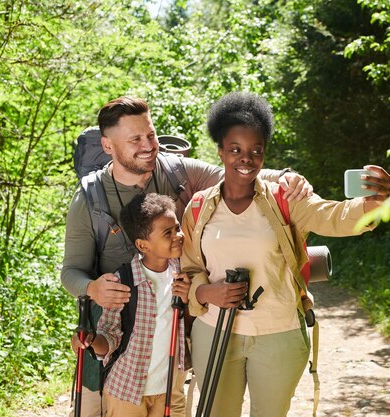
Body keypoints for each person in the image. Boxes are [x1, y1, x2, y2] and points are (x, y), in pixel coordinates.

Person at [61, 96, 313, 417]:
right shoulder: (90, 198)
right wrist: (92, 288)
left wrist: (288, 177)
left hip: (170, 342)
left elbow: (239, 173)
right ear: (108, 146)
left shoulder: (178, 173)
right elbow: (71, 272)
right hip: (111, 343)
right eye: (135, 139)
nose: (149, 145)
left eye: (151, 135)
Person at [180, 91, 390, 417]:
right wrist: (207, 291)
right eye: (235, 149)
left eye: (256, 150)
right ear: (220, 151)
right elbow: (190, 269)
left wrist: (372, 205)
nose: (245, 158)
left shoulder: (285, 199)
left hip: (277, 335)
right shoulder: (198, 207)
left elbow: (333, 215)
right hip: (214, 331)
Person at [73, 193, 190, 417]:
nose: (179, 235)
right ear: (142, 245)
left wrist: (186, 301)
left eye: (177, 227)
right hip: (127, 391)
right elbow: (109, 337)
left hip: (170, 389)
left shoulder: (182, 273)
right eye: (168, 233)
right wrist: (89, 341)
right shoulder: (124, 281)